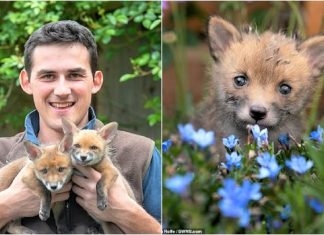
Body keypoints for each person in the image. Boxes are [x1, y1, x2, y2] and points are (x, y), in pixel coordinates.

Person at [0, 20, 161, 234]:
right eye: (48, 76)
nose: (62, 90)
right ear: (26, 82)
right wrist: (7, 206)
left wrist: (126, 212)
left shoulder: (141, 155)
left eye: (75, 75)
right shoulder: (2, 153)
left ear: (96, 81)